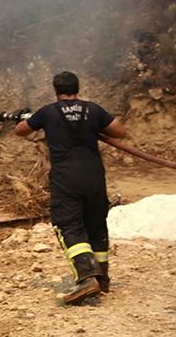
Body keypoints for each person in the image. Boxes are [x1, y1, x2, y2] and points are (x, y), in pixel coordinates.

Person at [10, 71, 128, 304]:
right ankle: (102, 279)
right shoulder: (92, 109)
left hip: (66, 178)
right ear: (77, 88)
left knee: (69, 224)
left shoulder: (47, 112)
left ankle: (86, 278)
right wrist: (92, 127)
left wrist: (19, 119)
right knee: (96, 224)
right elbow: (120, 132)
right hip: (94, 176)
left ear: (55, 90)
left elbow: (21, 131)